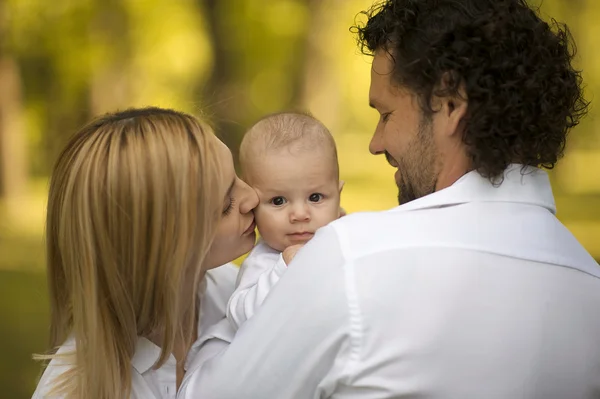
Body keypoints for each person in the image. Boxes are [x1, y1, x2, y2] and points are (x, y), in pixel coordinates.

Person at [180, 1, 600, 398]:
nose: (375, 144)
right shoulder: (590, 290)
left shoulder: (350, 262)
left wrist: (215, 327)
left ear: (450, 104)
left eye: (385, 115)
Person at [31, 107, 259, 399]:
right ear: (161, 247)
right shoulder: (77, 391)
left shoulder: (242, 293)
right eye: (226, 205)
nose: (253, 196)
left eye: (237, 178)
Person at [227, 112, 343, 330]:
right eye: (278, 201)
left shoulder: (343, 237)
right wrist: (282, 271)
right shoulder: (266, 261)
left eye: (315, 197)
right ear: (253, 205)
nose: (299, 214)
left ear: (338, 196)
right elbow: (239, 316)